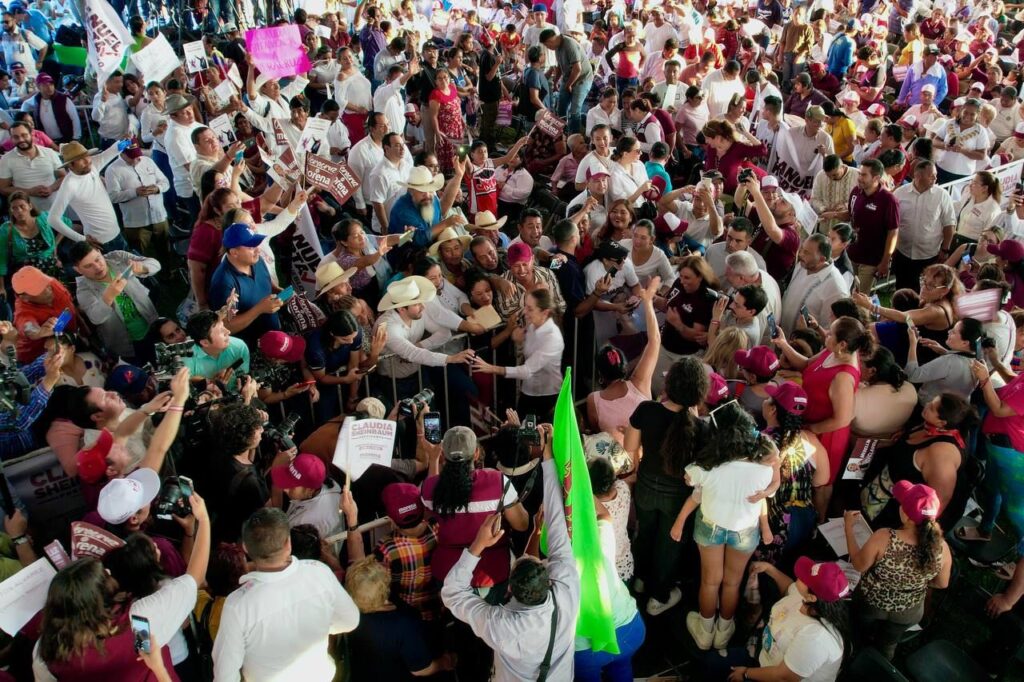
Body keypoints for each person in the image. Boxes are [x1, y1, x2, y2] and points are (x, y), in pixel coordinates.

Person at [441, 422, 580, 681]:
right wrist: (548, 459)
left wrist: (479, 544)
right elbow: (556, 523)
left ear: (510, 590)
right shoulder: (568, 594)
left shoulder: (501, 625)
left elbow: (451, 593)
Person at [212, 507, 361, 680]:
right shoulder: (319, 572)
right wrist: (319, 625)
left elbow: (225, 676)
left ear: (245, 548)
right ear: (288, 543)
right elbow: (350, 620)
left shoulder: (237, 605)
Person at [676, 402, 775, 650]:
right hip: (744, 532)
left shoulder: (705, 468)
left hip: (710, 526)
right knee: (732, 583)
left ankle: (705, 631)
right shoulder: (766, 467)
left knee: (710, 582)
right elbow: (773, 471)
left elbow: (689, 482)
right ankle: (723, 631)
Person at [625, 356, 709, 615]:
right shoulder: (701, 428)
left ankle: (638, 581)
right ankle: (658, 596)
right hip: (679, 500)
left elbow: (629, 452)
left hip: (646, 488)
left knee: (644, 533)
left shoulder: (646, 410)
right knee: (669, 545)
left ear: (669, 384)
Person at [846, 481, 952, 660]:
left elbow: (858, 564)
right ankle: (880, 668)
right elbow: (942, 583)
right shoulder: (942, 548)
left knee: (858, 631)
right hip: (908, 609)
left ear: (905, 515)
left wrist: (848, 527)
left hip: (871, 601)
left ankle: (853, 654)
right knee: (888, 644)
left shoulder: (884, 537)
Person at [773, 317, 870, 509]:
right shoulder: (832, 350)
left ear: (842, 344)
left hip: (826, 435)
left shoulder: (843, 377)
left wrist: (812, 429)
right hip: (809, 423)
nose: (826, 333)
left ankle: (819, 520)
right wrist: (783, 344)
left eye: (831, 333)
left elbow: (842, 419)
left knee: (822, 483)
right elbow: (807, 364)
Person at [862, 393, 975, 530]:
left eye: (932, 408)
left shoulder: (941, 454)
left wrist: (910, 532)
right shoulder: (930, 424)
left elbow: (937, 503)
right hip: (881, 487)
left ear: (942, 423)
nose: (927, 405)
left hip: (896, 510)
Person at [727, 557, 850, 681]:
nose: (800, 576)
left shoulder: (816, 638)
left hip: (768, 674)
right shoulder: (808, 600)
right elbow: (789, 588)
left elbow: (783, 677)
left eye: (805, 578)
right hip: (761, 654)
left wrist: (745, 673)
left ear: (812, 597)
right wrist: (770, 569)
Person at [345, 556, 453, 681]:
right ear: (386, 588)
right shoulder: (403, 624)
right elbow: (420, 670)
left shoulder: (350, 614)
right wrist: (445, 662)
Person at [472, 288, 564, 421]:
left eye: (530, 309)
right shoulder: (532, 325)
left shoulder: (552, 337)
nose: (525, 312)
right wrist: (520, 339)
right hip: (528, 391)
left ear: (545, 312)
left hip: (547, 396)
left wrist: (491, 368)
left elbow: (526, 371)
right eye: (525, 307)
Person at [587, 278, 661, 441]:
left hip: (616, 462)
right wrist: (648, 302)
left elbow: (596, 429)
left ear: (601, 373)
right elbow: (655, 339)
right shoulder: (639, 384)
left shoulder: (593, 400)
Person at [70, 242, 160, 360]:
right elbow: (95, 318)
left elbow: (155, 264)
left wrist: (142, 268)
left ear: (100, 252)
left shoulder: (118, 257)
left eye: (97, 259)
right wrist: (108, 296)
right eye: (88, 266)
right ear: (78, 270)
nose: (97, 267)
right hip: (125, 344)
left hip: (153, 325)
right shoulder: (83, 289)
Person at [853, 347, 919, 437]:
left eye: (858, 362)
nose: (855, 365)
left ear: (872, 371)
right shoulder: (909, 389)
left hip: (857, 443)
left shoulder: (856, 396)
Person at [0, 119, 63, 212]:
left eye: (24, 135)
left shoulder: (49, 153)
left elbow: (63, 177)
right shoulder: (6, 159)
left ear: (32, 135)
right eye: (16, 137)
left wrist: (51, 188)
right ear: (11, 139)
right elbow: (3, 188)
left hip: (56, 208)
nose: (21, 140)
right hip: (28, 213)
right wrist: (29, 192)